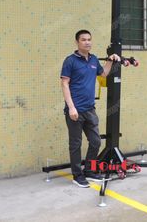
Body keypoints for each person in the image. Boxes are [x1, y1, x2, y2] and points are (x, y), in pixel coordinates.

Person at [60, 29, 120, 188]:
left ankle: (89, 171)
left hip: (89, 109)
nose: (87, 42)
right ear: (77, 42)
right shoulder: (70, 61)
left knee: (95, 141)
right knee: (76, 144)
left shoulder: (93, 59)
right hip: (75, 110)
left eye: (89, 39)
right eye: (83, 40)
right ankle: (77, 175)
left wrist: (110, 60)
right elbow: (64, 83)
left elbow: (104, 74)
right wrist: (71, 107)